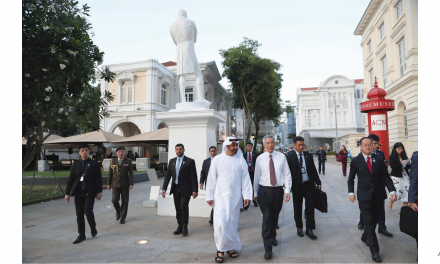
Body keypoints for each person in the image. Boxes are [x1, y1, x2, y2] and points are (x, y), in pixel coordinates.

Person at [348, 137, 397, 263]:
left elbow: (386, 177)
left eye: (370, 144)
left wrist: (392, 191)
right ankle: (375, 252)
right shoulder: (356, 160)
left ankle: (365, 236)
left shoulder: (379, 158)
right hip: (364, 196)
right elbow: (351, 178)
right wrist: (351, 193)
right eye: (365, 145)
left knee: (374, 220)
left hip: (379, 195)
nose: (368, 147)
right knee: (369, 222)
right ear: (361, 146)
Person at [206, 137, 252, 263]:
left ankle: (230, 247)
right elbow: (211, 179)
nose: (236, 147)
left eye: (237, 145)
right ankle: (220, 249)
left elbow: (245, 178)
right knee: (221, 224)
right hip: (220, 197)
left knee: (232, 224)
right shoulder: (217, 160)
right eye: (233, 145)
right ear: (227, 146)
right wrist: (209, 196)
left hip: (235, 198)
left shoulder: (240, 160)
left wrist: (247, 196)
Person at [254, 135, 291, 259]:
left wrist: (287, 191)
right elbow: (256, 177)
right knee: (267, 217)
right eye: (268, 143)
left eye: (272, 142)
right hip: (264, 191)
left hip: (277, 191)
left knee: (275, 216)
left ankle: (273, 236)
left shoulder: (281, 157)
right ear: (264, 145)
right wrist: (255, 193)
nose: (270, 145)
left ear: (275, 144)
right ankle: (268, 248)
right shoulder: (259, 159)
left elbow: (287, 174)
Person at [64, 143, 102, 244]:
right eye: (82, 150)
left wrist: (99, 192)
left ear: (89, 151)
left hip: (90, 192)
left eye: (86, 150)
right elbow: (71, 179)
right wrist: (67, 193)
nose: (84, 152)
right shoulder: (76, 164)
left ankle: (93, 227)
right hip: (78, 192)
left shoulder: (94, 164)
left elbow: (98, 179)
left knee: (88, 211)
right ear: (79, 152)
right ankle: (81, 234)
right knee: (79, 214)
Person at [286, 136, 321, 240]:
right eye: (299, 145)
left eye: (302, 145)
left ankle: (310, 229)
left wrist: (318, 181)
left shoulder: (308, 156)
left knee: (310, 207)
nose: (301, 147)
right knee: (297, 208)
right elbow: (287, 173)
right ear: (294, 145)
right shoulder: (289, 156)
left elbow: (313, 170)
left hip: (308, 186)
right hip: (296, 187)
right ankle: (299, 227)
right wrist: (288, 186)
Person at [358, 134, 393, 237]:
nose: (377, 145)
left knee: (380, 209)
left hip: (379, 186)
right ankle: (362, 222)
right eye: (375, 143)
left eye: (378, 143)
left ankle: (382, 227)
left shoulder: (380, 154)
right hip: (367, 189)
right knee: (366, 209)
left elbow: (383, 170)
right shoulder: (362, 155)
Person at [161, 143, 198, 236]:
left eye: (180, 149)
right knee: (178, 208)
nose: (178, 151)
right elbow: (168, 176)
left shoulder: (190, 161)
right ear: (175, 150)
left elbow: (194, 176)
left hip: (186, 189)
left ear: (183, 150)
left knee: (183, 207)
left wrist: (195, 190)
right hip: (175, 189)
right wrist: (164, 188)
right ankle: (179, 226)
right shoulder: (172, 161)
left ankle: (185, 226)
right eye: (177, 149)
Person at [107, 146, 134, 224]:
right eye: (119, 151)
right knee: (114, 200)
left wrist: (131, 183)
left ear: (124, 152)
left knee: (125, 201)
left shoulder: (128, 161)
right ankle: (118, 212)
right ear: (117, 153)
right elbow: (110, 174)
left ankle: (123, 217)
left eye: (122, 151)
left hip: (125, 184)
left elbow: (131, 174)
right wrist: (108, 183)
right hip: (115, 184)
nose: (121, 153)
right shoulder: (113, 161)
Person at [388, 142, 411, 210]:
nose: (400, 150)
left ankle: (405, 209)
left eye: (401, 148)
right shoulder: (392, 157)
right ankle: (391, 202)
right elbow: (393, 166)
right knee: (397, 192)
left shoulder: (404, 156)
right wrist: (401, 163)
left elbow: (408, 167)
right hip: (396, 177)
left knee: (407, 191)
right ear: (395, 149)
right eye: (399, 148)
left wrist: (409, 164)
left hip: (405, 176)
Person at [200, 146, 217, 224]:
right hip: (209, 185)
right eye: (211, 151)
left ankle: (213, 217)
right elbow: (203, 172)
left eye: (214, 151)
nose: (213, 152)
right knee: (211, 200)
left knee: (216, 200)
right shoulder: (206, 161)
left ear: (216, 151)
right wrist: (201, 182)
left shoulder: (219, 160)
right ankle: (213, 216)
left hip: (218, 185)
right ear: (209, 152)